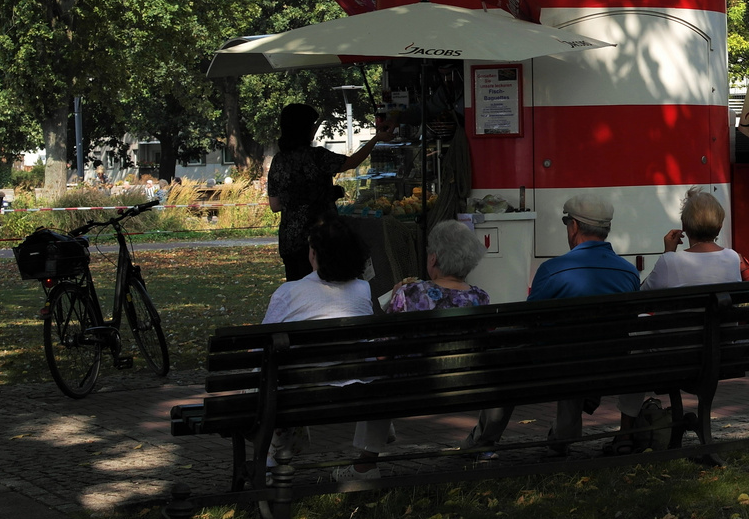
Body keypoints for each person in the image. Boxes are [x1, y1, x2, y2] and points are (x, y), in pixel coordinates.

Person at [468, 194, 638, 455]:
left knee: (518, 356)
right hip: (608, 364)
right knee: (572, 353)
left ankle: (484, 440)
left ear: (574, 227)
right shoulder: (628, 273)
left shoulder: (553, 271)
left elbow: (528, 322)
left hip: (557, 366)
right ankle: (563, 435)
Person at [325, 220, 494, 480]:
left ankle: (365, 465)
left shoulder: (411, 292)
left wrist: (395, 299)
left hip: (410, 387)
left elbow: (385, 349)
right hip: (466, 385)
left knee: (377, 374)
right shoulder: (481, 298)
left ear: (434, 258)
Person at [610, 188, 743, 453]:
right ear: (719, 225)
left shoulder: (671, 262)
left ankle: (625, 433)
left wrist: (667, 254)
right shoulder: (732, 258)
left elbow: (642, 298)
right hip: (720, 356)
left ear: (685, 227)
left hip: (675, 356)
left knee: (633, 342)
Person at [259, 216, 379, 481]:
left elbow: (262, 346)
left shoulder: (288, 292)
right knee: (379, 379)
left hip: (299, 393)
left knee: (270, 383)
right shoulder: (363, 290)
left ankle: (273, 463)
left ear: (314, 254)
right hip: (356, 390)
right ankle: (367, 464)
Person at [267, 103, 388, 282]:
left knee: (299, 291)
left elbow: (275, 205)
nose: (315, 128)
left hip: (290, 241)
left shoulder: (278, 161)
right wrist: (376, 138)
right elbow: (352, 162)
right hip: (321, 239)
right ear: (305, 128)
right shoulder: (317, 157)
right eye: (313, 124)